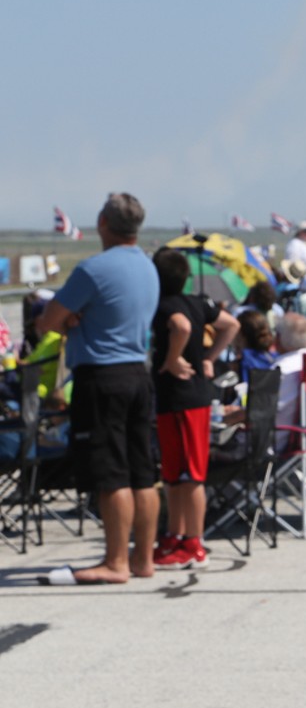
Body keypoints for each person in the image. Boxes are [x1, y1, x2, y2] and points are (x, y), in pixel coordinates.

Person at [35, 193, 162, 585]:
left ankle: (115, 562)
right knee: (142, 473)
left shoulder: (94, 270)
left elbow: (47, 322)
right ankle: (142, 558)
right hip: (137, 374)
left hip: (101, 376)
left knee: (111, 475)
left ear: (103, 223)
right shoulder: (148, 266)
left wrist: (72, 319)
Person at [150, 248, 241, 570]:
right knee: (174, 475)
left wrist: (173, 357)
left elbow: (182, 328)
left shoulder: (165, 306)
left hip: (183, 398)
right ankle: (173, 537)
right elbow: (231, 325)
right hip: (183, 399)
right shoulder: (197, 302)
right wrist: (208, 357)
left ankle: (194, 542)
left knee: (190, 475)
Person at [272, 312, 306, 453]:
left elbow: (260, 411)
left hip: (274, 440)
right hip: (302, 437)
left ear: (278, 338)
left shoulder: (282, 368)